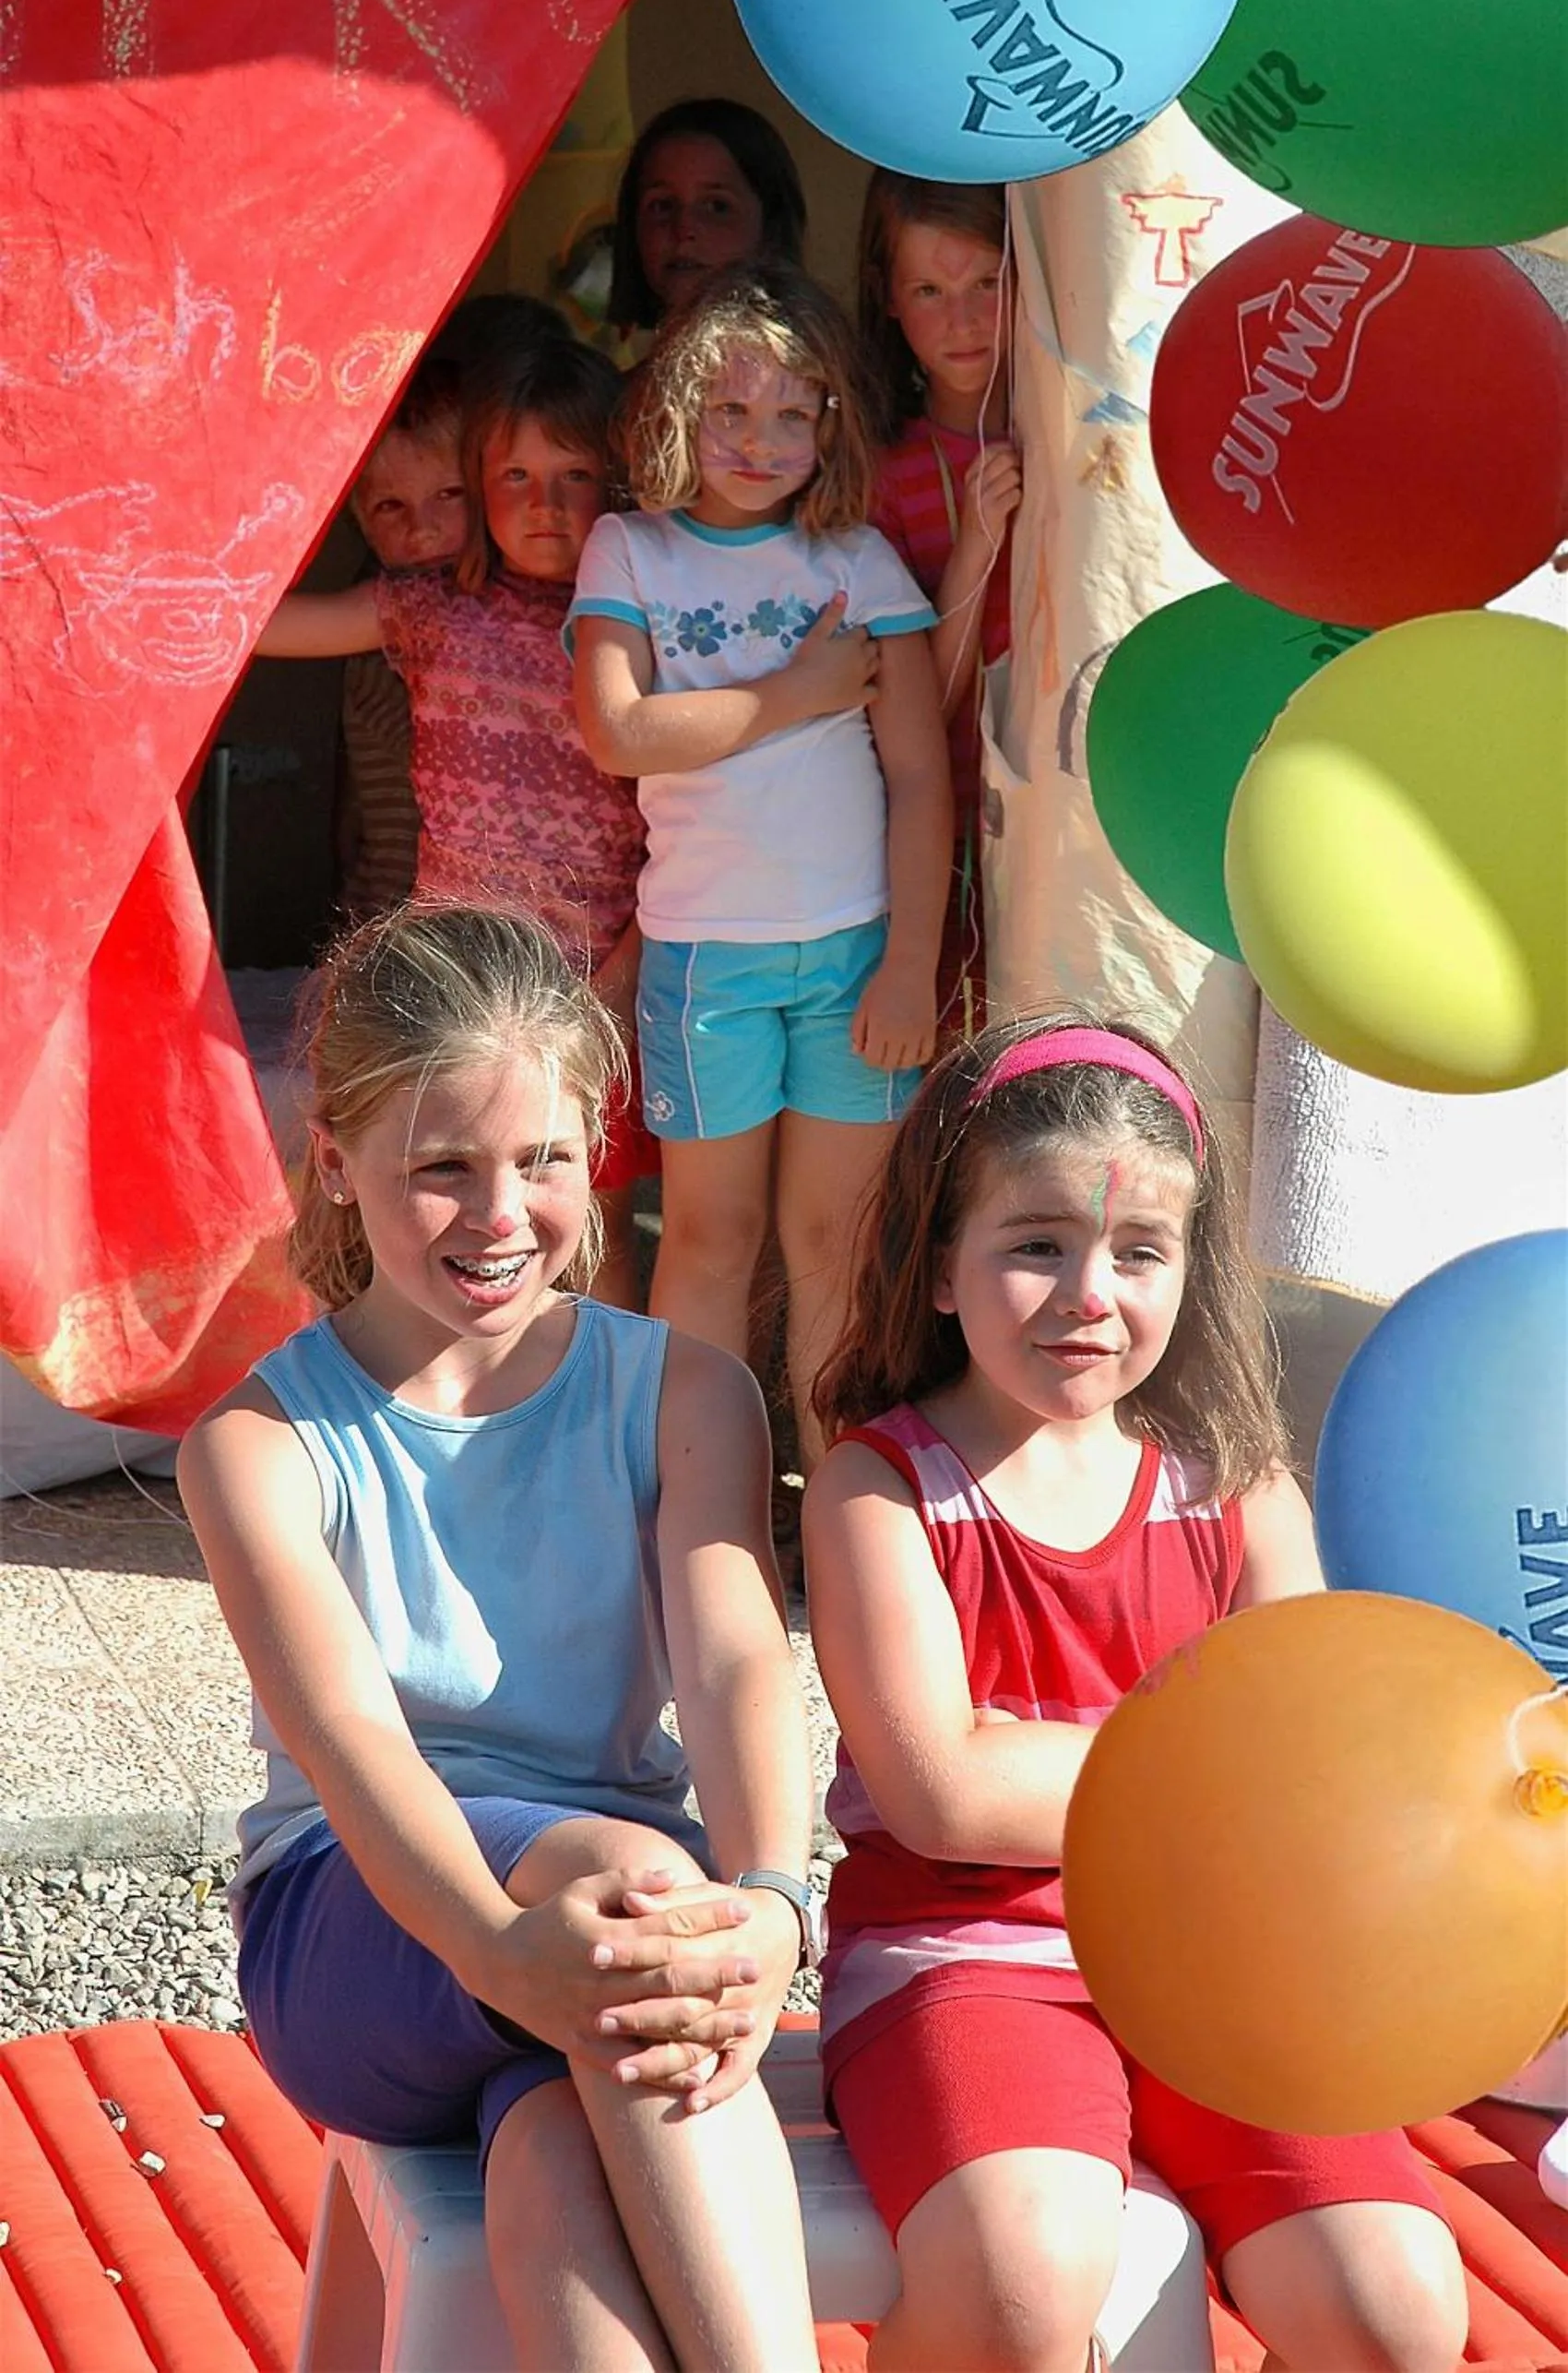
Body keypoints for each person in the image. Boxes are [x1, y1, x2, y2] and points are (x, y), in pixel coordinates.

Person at [179, 901, 822, 2372]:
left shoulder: (685, 1392)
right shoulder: (264, 1444)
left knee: (554, 2162)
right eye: (441, 1170)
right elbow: (350, 1747)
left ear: (596, 1146)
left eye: (542, 1160)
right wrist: (494, 1951)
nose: (499, 1216)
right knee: (642, 1882)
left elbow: (733, 1659)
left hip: (593, 1944)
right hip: (362, 1926)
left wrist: (778, 1899)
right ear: (336, 1166)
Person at [802, 1012, 1469, 2373]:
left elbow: (1318, 1770)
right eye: (1036, 1243)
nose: (1088, 1292)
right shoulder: (884, 1488)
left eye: (1138, 1251)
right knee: (1021, 2277)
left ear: (1191, 1271)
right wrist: (1220, 1770)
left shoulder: (1235, 1487)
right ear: (940, 1266)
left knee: (1400, 2303)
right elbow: (944, 1796)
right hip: (967, 1961)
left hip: (1222, 1971)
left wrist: (1109, 1768)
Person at [571, 262, 953, 1468]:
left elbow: (923, 779)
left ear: (833, 422)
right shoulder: (628, 550)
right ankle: (706, 1500)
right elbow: (620, 733)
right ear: (681, 410)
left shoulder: (858, 564)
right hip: (705, 961)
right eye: (731, 411)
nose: (761, 440)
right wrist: (802, 691)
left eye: (794, 414)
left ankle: (841, 1506)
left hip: (855, 964)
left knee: (835, 1243)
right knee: (708, 1239)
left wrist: (910, 965)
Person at [255, 336, 656, 1308]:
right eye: (513, 475)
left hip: (591, 985)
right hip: (453, 987)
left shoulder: (643, 627)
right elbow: (262, 624)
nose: (546, 504)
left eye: (575, 474)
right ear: (479, 481)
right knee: (438, 1208)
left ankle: (599, 1433)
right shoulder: (433, 607)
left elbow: (682, 832)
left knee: (585, 1217)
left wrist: (622, 974)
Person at [336, 297, 572, 921]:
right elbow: (380, 823)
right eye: (391, 509)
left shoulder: (542, 609)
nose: (424, 531)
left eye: (451, 495)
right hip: (404, 915)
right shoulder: (389, 621)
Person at [858, 173, 1020, 1043]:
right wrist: (978, 545)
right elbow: (929, 705)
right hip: (937, 850)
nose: (961, 319)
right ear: (888, 300)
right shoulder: (883, 478)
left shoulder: (1081, 437)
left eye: (985, 283)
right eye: (929, 290)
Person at [609, 97, 807, 337]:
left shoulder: (800, 373)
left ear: (770, 226)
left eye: (716, 206)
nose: (683, 229)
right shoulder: (610, 376)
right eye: (662, 205)